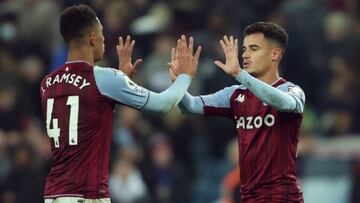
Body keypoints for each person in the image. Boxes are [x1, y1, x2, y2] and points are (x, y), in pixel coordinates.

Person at [40, 4, 201, 203]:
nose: (103, 39)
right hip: (86, 195)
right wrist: (184, 77)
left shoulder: (47, 83)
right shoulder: (104, 78)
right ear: (92, 37)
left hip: (53, 195)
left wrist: (121, 84)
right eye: (101, 33)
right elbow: (164, 105)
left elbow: (87, 119)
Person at [170, 22, 305, 202]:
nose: (245, 55)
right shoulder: (235, 94)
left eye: (254, 48)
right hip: (247, 197)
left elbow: (285, 103)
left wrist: (241, 74)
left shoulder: (292, 91)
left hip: (281, 196)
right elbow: (190, 106)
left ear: (275, 54)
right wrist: (180, 82)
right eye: (244, 49)